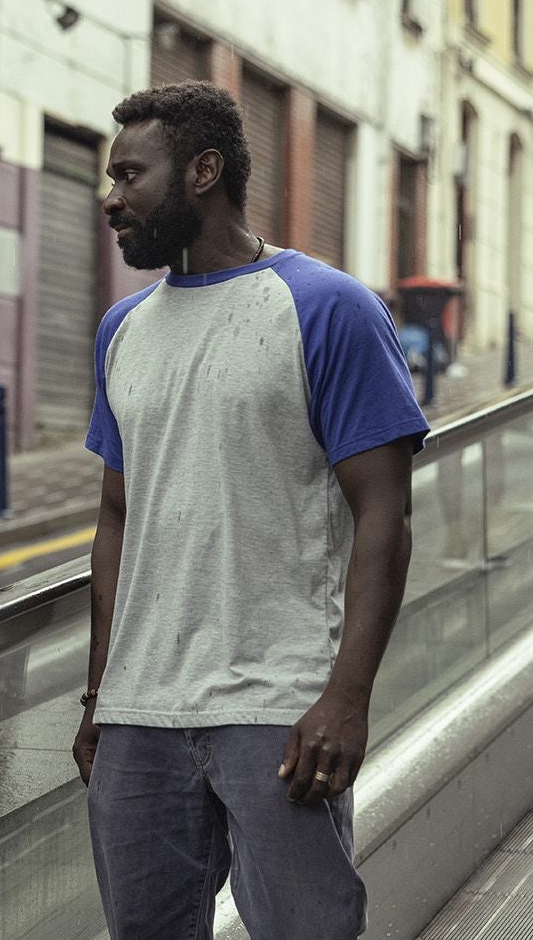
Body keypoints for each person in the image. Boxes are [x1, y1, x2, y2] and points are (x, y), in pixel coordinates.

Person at [72, 81, 429, 938]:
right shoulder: (121, 329)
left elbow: (385, 513)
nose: (110, 198)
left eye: (130, 174)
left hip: (279, 708)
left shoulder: (328, 307)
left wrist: (347, 696)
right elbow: (117, 517)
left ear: (202, 170)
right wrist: (98, 695)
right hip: (140, 716)